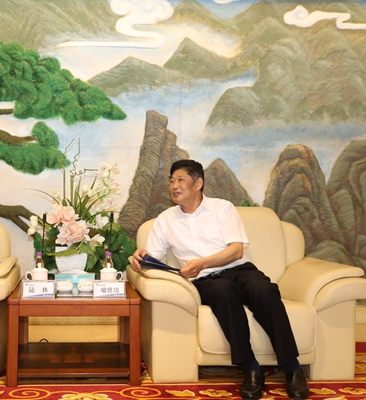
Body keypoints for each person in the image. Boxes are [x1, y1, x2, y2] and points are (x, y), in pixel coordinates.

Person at [130, 159, 310, 400]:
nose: (174, 186)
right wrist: (141, 255)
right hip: (206, 280)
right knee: (223, 291)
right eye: (171, 181)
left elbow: (236, 250)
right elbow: (153, 256)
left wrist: (202, 262)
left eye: (180, 180)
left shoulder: (222, 208)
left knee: (264, 291)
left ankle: (292, 368)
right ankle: (251, 368)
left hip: (239, 269)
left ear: (198, 183)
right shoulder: (165, 219)